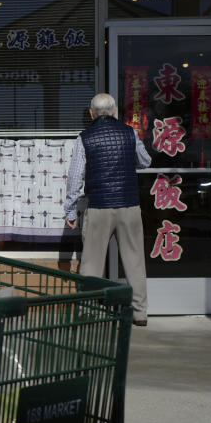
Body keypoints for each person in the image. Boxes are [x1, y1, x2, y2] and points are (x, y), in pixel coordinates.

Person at [63, 92, 151, 327]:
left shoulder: (85, 137)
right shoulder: (130, 132)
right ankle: (140, 313)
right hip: (129, 204)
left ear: (92, 114)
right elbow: (145, 161)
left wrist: (70, 210)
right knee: (134, 261)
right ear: (114, 112)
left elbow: (75, 178)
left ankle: (87, 310)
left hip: (99, 206)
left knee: (91, 262)